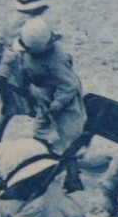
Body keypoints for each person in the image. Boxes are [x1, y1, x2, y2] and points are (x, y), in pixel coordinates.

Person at [0, 0, 58, 145]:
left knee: (7, 108)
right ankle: (40, 138)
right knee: (44, 102)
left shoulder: (13, 19)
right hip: (18, 73)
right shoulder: (30, 24)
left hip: (3, 71)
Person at [5, 18, 87, 159]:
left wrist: (58, 103)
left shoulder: (57, 58)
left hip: (64, 99)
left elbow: (69, 85)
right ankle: (41, 148)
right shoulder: (26, 53)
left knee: (70, 130)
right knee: (40, 126)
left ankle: (74, 158)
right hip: (43, 95)